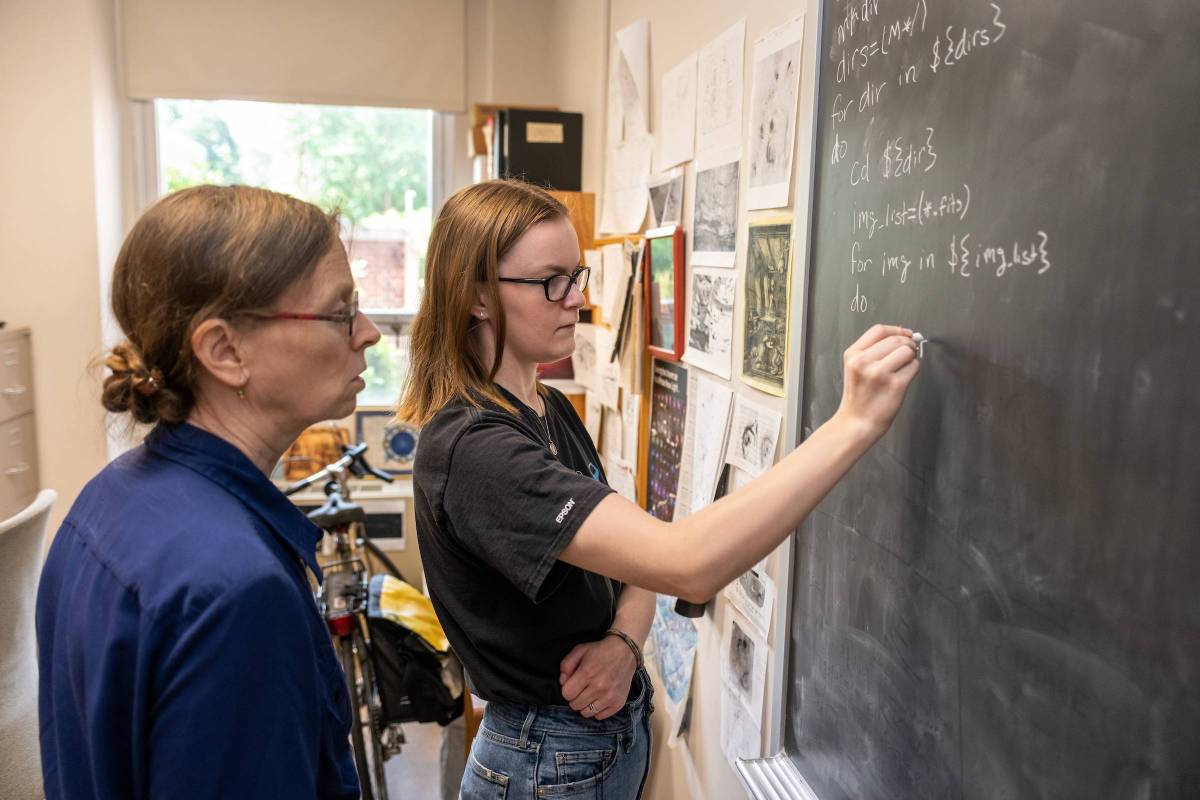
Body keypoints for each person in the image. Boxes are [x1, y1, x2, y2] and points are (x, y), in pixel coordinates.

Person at [398, 179, 920, 800]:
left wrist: (623, 641)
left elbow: (637, 563)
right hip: (544, 757)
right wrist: (853, 425)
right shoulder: (476, 450)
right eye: (551, 281)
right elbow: (684, 565)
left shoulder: (547, 408)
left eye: (579, 275)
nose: (578, 300)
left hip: (598, 738)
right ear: (478, 296)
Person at [36, 185, 381, 799]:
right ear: (225, 351)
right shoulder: (238, 590)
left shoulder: (105, 501)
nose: (370, 332)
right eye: (339, 312)